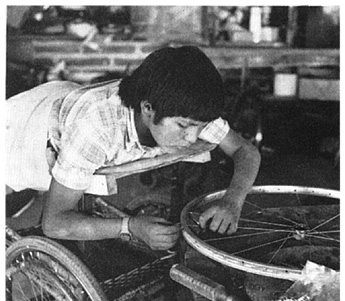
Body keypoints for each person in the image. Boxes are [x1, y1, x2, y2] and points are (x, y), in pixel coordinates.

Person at [6, 46, 261, 251]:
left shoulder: (186, 109)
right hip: (19, 134)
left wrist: (233, 200)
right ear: (148, 108)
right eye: (184, 126)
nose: (193, 136)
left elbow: (245, 151)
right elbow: (55, 223)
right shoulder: (96, 129)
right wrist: (130, 227)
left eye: (200, 126)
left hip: (64, 100)